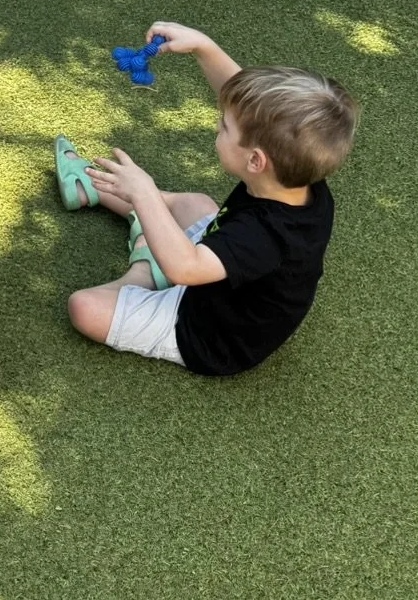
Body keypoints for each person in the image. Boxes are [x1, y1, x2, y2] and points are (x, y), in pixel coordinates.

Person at [58, 24, 357, 377]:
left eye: (224, 127)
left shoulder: (263, 235)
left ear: (256, 161)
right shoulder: (298, 176)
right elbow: (248, 107)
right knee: (197, 204)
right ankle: (105, 196)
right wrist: (204, 48)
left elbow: (186, 269)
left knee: (84, 307)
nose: (218, 125)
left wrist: (144, 192)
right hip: (218, 276)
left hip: (207, 331)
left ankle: (145, 268)